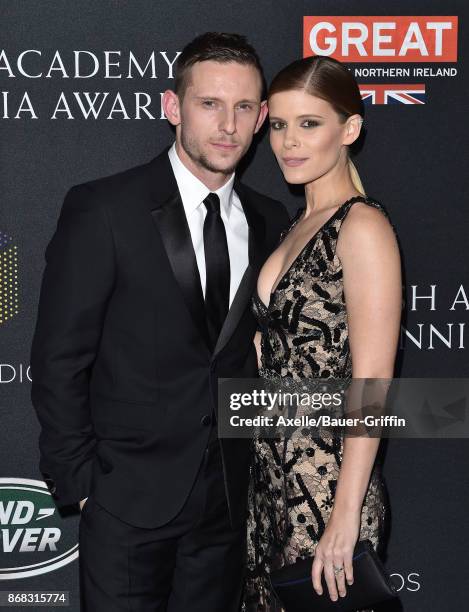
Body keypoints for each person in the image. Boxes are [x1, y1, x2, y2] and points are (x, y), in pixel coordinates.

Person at [30, 32, 289, 611]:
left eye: (243, 107)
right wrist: (86, 488)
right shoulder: (104, 208)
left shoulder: (271, 220)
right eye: (209, 104)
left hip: (227, 502)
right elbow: (58, 358)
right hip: (126, 502)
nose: (227, 124)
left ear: (261, 117)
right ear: (172, 107)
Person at [243, 55, 402, 611]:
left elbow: (374, 381)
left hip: (325, 483)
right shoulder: (295, 224)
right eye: (280, 124)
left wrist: (344, 514)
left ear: (349, 129)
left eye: (310, 124)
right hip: (271, 481)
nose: (289, 141)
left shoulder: (361, 226)